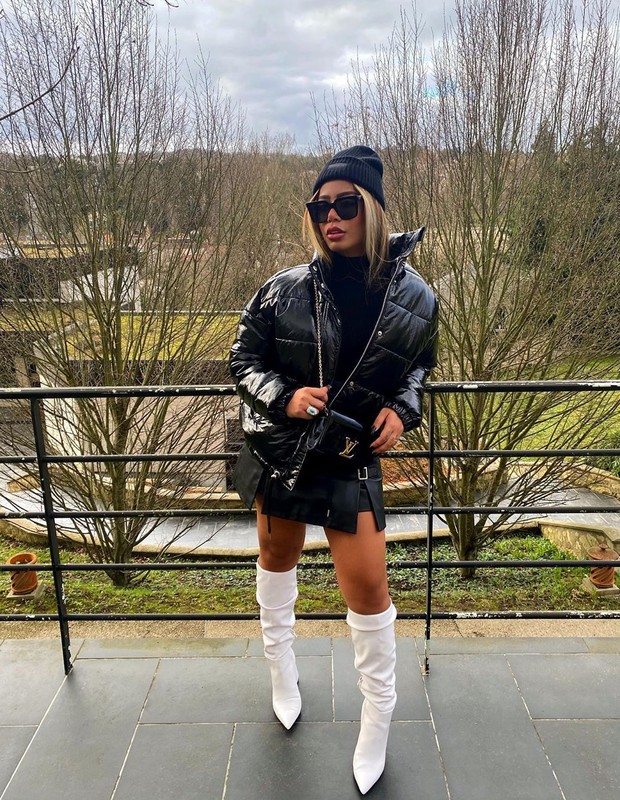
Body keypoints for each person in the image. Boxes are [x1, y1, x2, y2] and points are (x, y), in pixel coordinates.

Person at [229, 145, 438, 794]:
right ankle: (281, 670)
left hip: (351, 457)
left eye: (345, 204)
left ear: (373, 208)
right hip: (283, 451)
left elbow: (419, 368)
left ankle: (378, 716)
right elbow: (243, 359)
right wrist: (284, 396)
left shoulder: (419, 297)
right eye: (320, 207)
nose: (331, 217)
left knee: (369, 590)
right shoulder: (283, 288)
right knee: (276, 557)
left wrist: (404, 410)